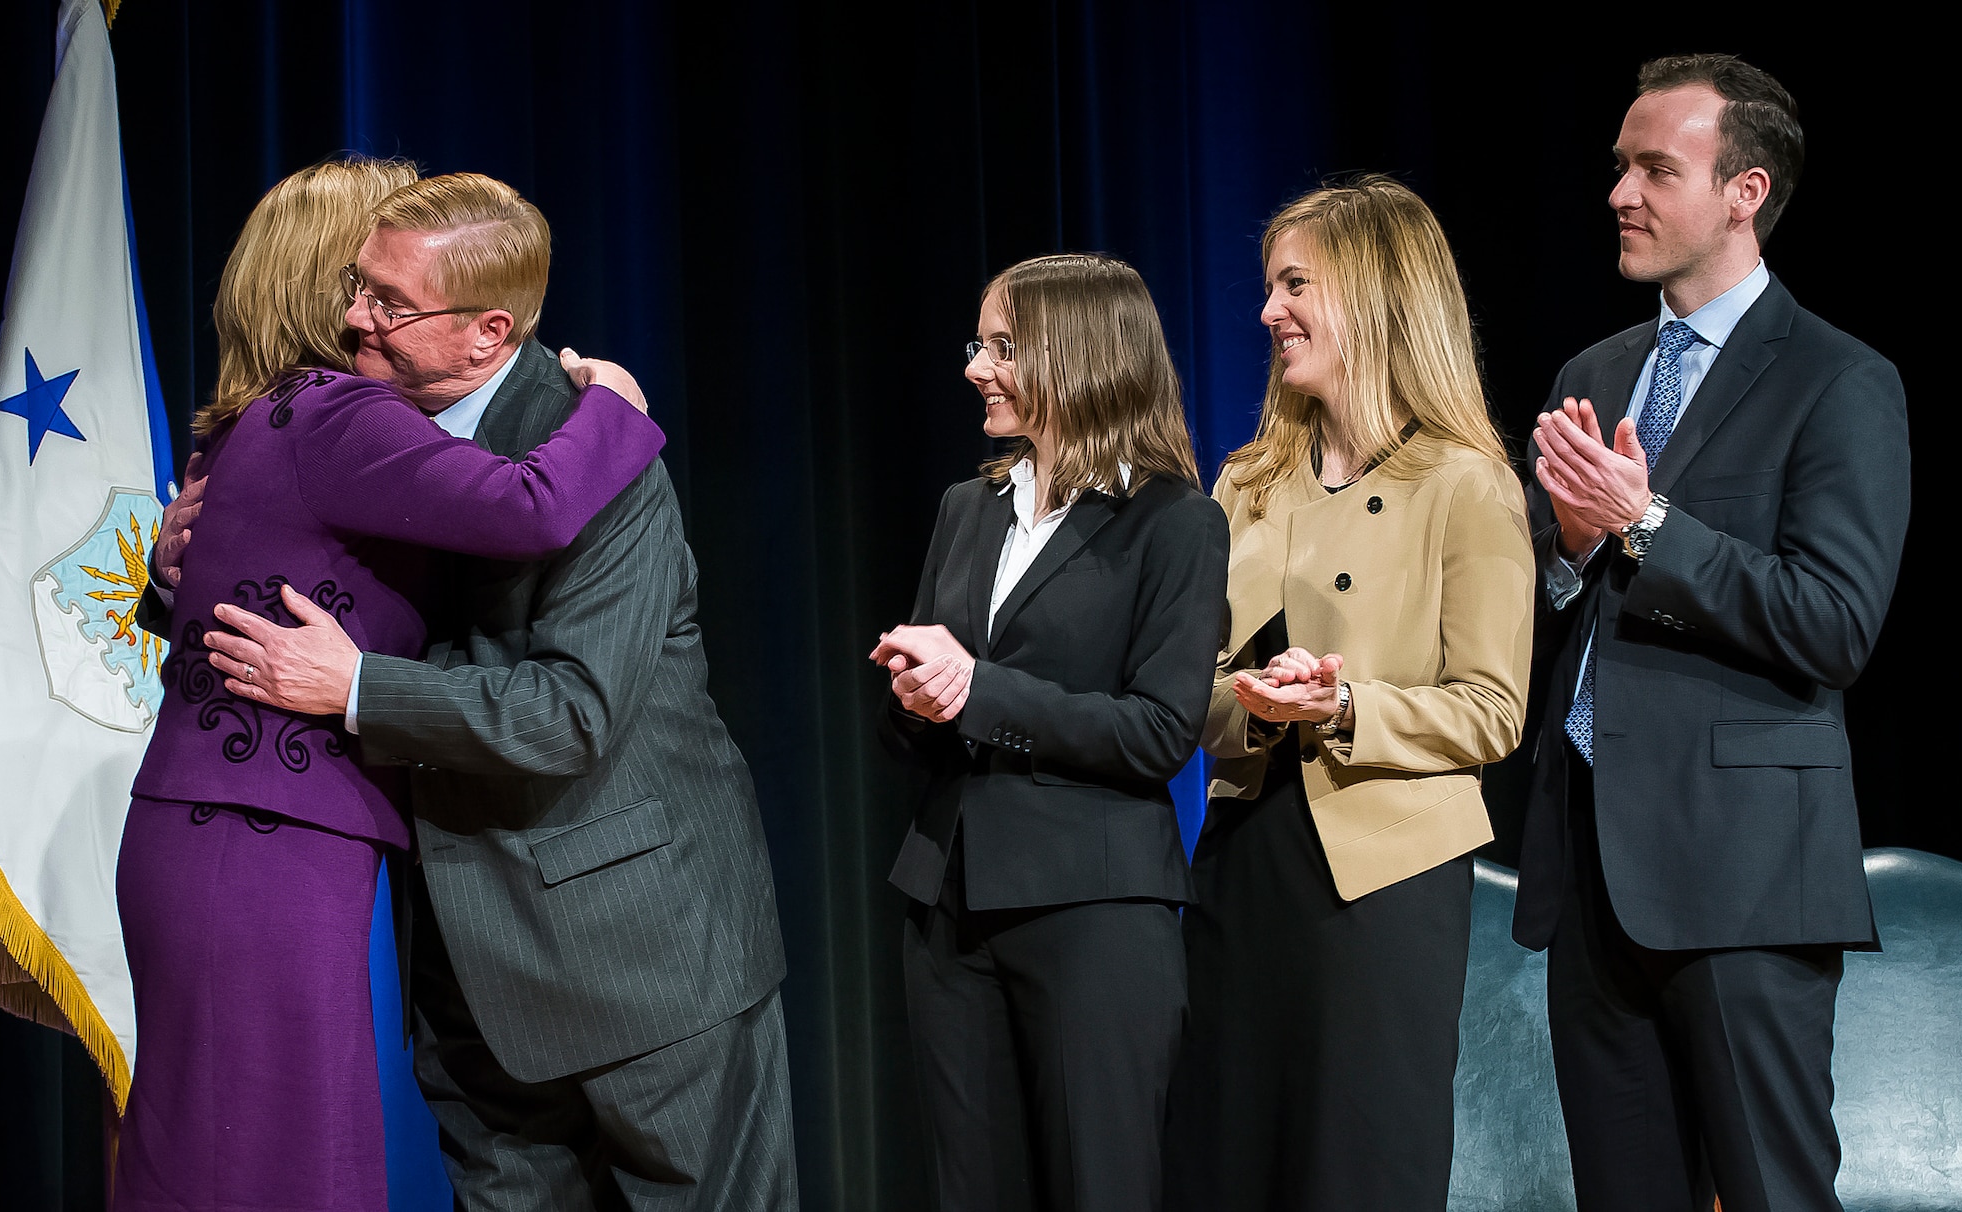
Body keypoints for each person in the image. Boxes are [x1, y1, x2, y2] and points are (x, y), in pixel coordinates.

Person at [173, 172, 798, 1209]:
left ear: (486, 331)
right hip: (470, 981)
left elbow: (570, 713)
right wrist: (173, 574)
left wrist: (360, 688)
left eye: (388, 305)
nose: (352, 320)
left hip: (644, 966)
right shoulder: (366, 438)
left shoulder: (600, 460)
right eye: (354, 286)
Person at [1515, 55, 1909, 1212]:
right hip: (1590, 869)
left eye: (1654, 169)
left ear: (1742, 191)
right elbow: (1558, 591)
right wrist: (1574, 547)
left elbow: (1832, 623)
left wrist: (1640, 523)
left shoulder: (1837, 380)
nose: (1619, 194)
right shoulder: (1596, 371)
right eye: (1617, 167)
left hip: (1742, 879)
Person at [1163, 176, 1534, 1211]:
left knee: (1355, 1166)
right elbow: (1179, 685)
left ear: (1374, 298)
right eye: (1267, 285)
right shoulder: (1247, 480)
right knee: (1225, 1160)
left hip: (1382, 882)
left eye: (1293, 285)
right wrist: (1249, 697)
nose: (1267, 311)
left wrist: (1341, 707)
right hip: (1239, 861)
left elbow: (1491, 709)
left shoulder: (1464, 482)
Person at [870, 253, 1228, 1212]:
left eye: (1002, 347)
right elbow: (930, 714)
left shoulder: (1175, 523)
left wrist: (978, 691)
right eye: (979, 345)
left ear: (1080, 356)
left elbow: (1160, 732)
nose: (976, 369)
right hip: (949, 904)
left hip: (1093, 908)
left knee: (1097, 1185)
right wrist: (915, 700)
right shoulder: (965, 509)